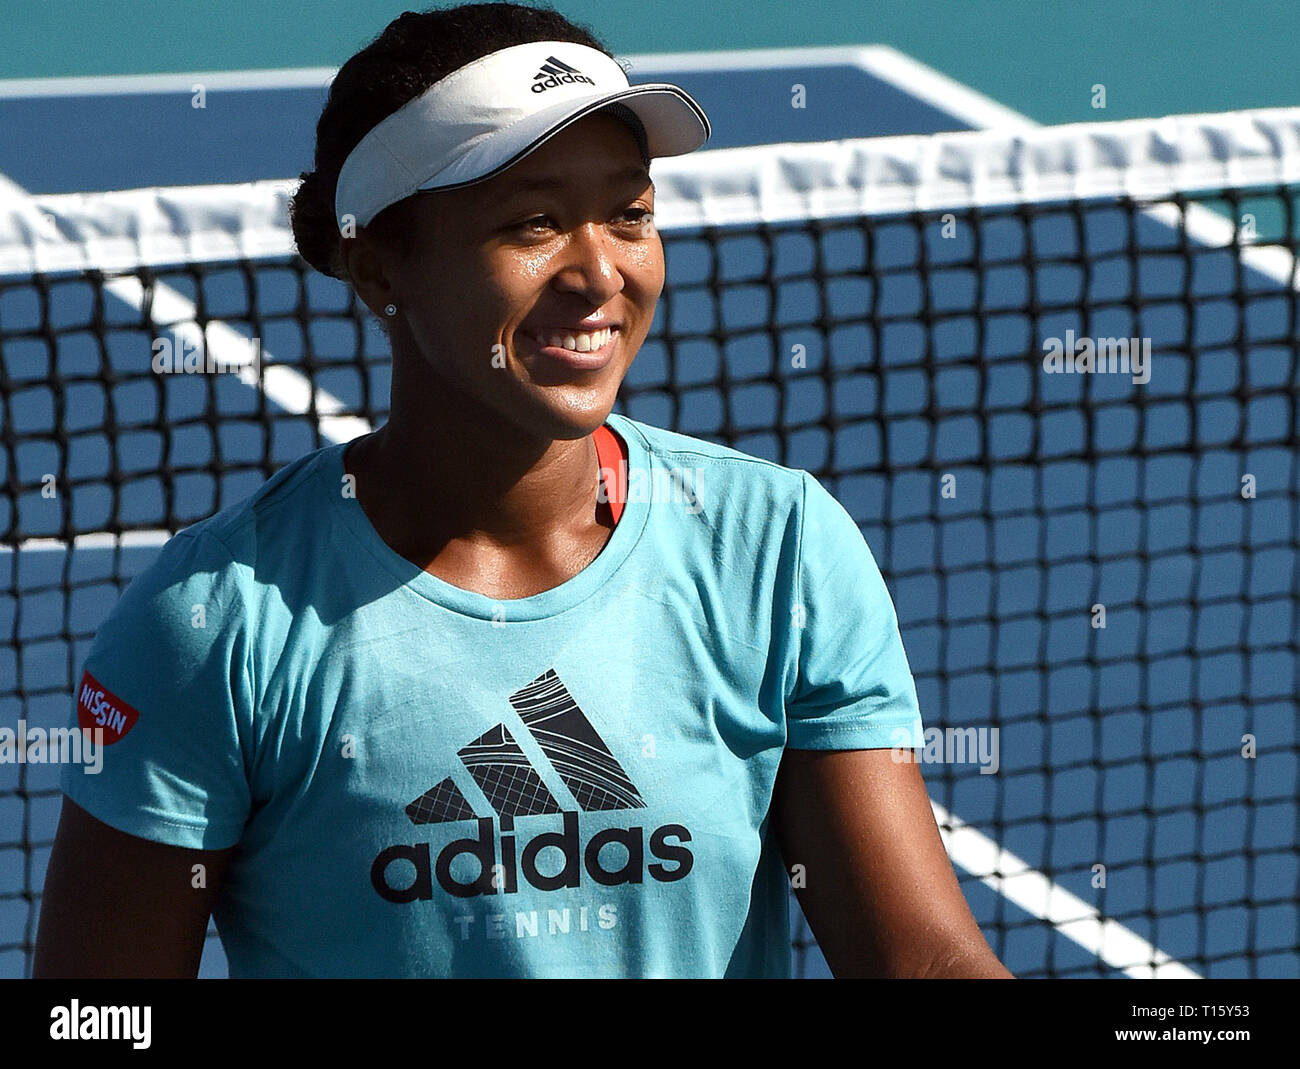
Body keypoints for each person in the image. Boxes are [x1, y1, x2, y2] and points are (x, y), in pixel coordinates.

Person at [34, 2, 1011, 979]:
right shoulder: (213, 625)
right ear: (379, 270)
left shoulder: (778, 546)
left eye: (629, 213)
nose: (598, 273)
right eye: (534, 222)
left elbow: (918, 961)